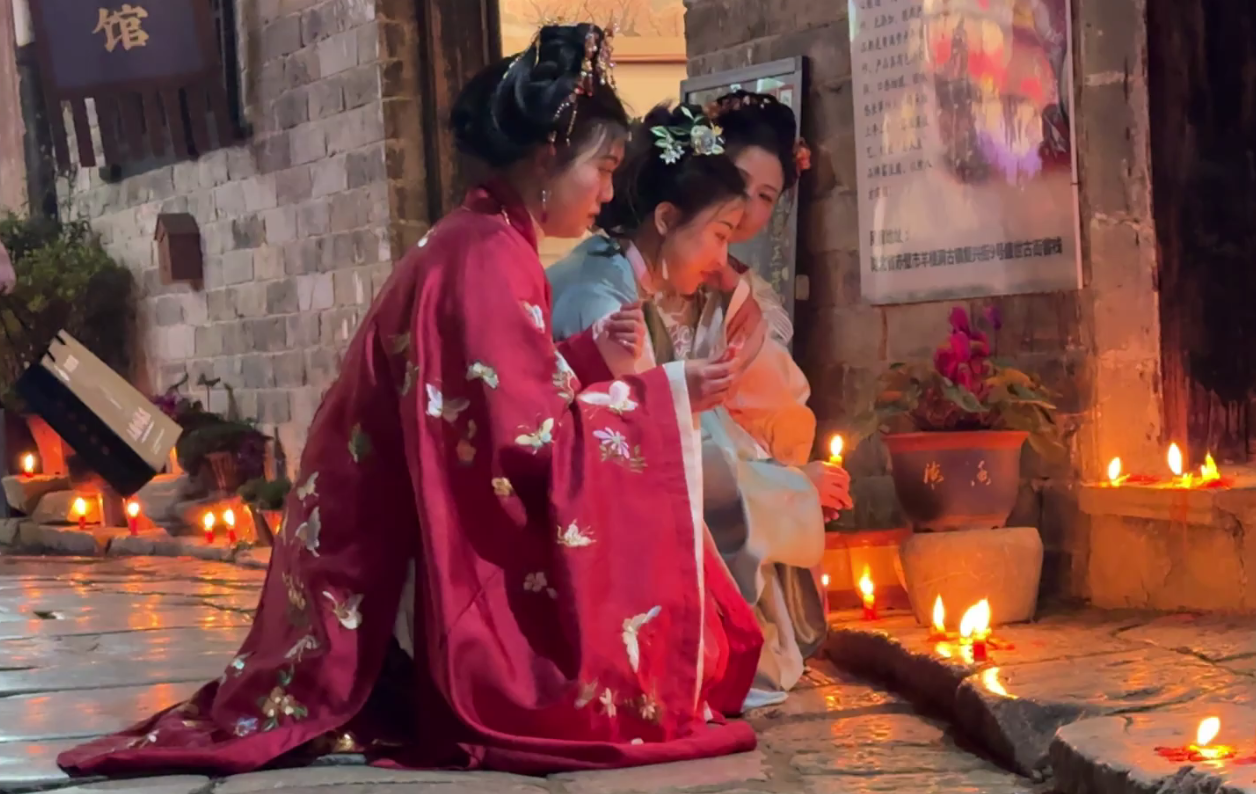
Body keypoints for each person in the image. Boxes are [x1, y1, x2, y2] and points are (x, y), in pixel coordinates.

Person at [57, 23, 765, 779]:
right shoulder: (487, 257)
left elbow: (487, 399)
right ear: (548, 158)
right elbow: (516, 447)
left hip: (374, 524)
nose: (607, 193)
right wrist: (663, 396)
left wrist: (592, 360)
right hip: (382, 548)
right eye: (604, 168)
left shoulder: (483, 241)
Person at [548, 97, 850, 710]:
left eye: (765, 200)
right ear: (666, 217)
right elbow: (635, 444)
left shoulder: (653, 276)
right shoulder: (606, 297)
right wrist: (792, 488)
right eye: (718, 233)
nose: (723, 254)